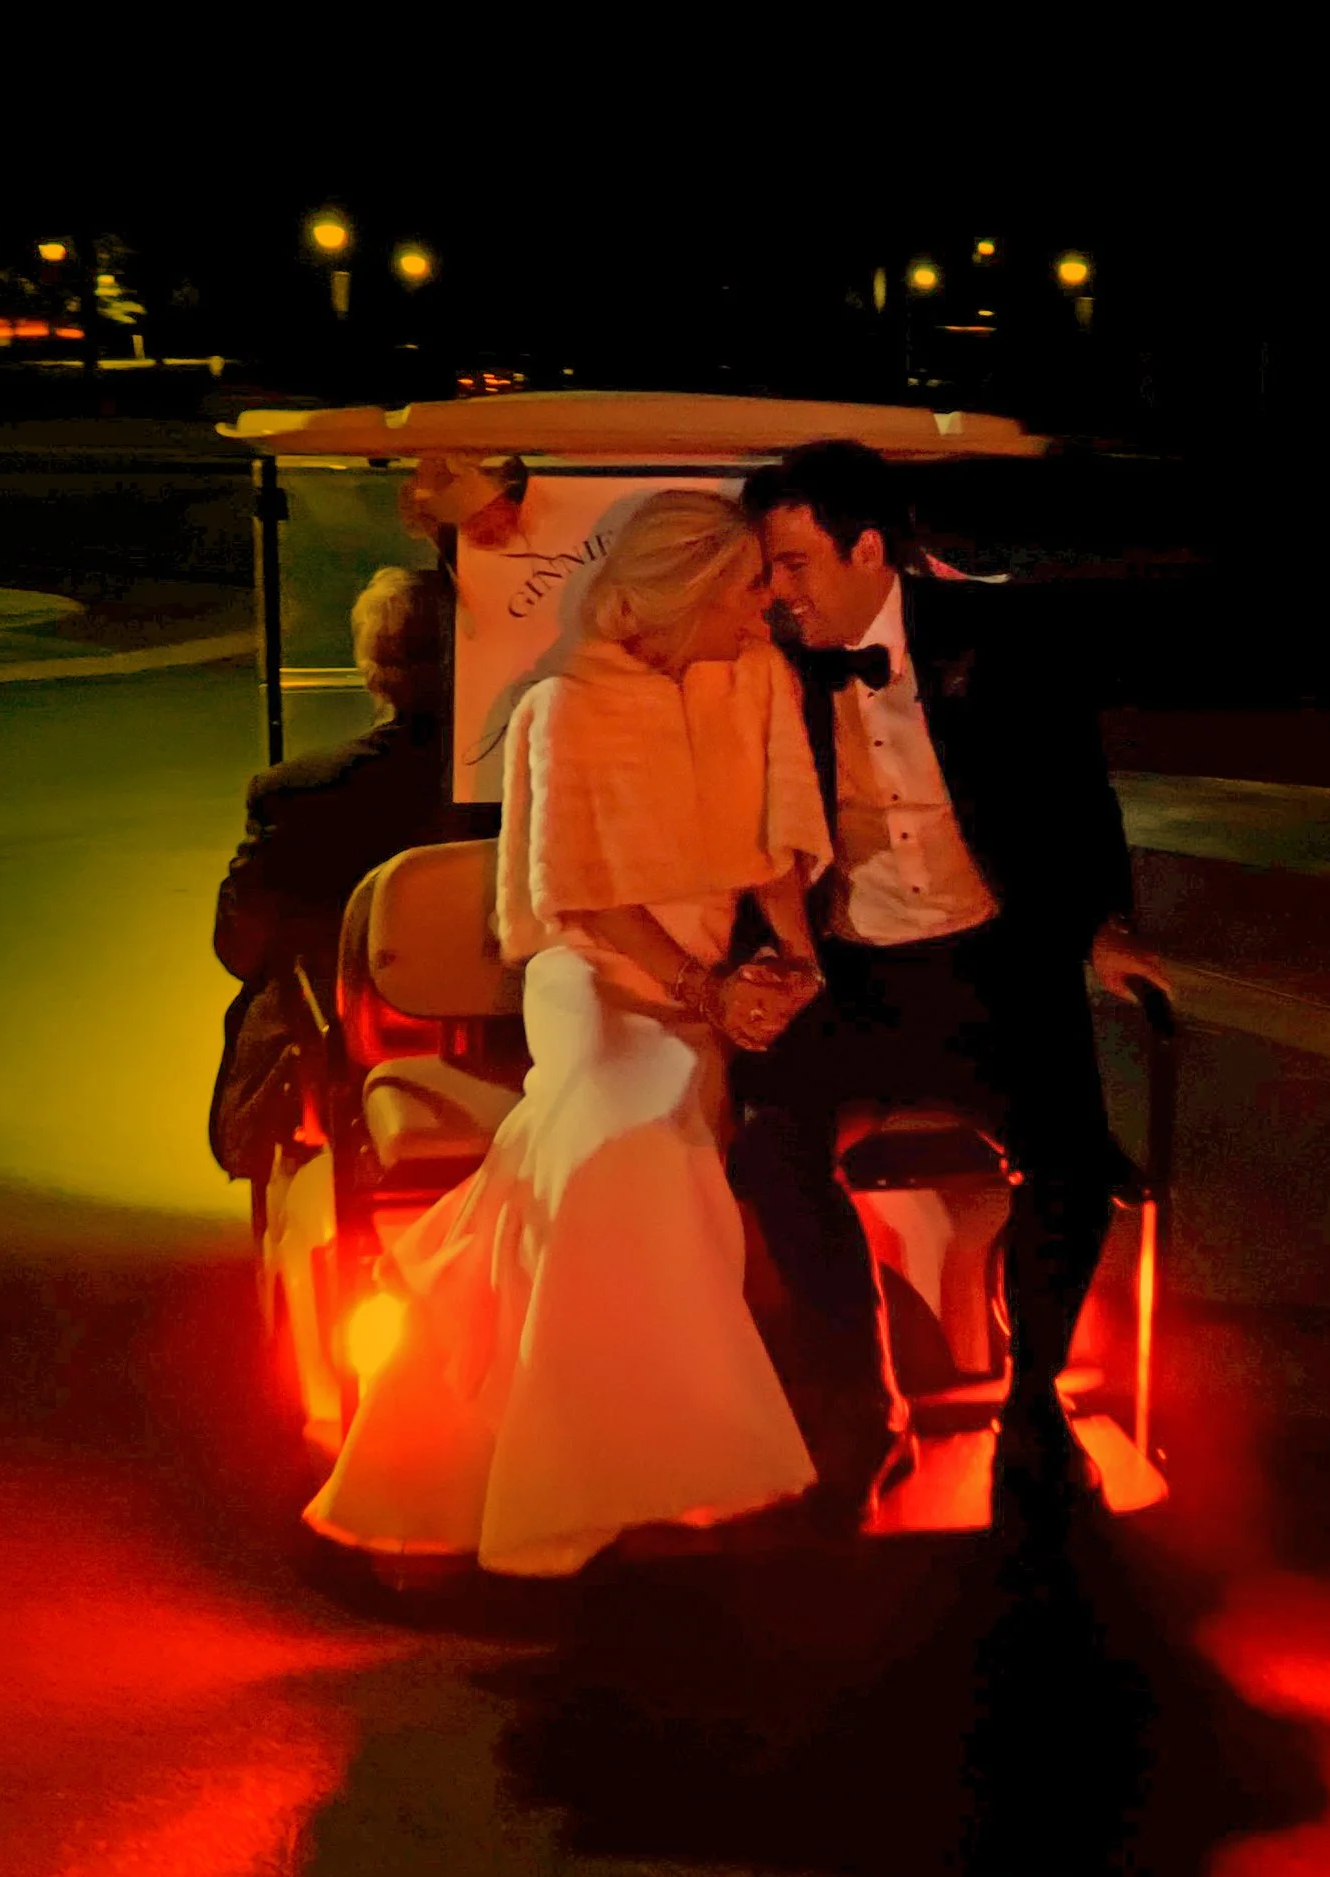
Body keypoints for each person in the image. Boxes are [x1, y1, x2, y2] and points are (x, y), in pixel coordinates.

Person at [303, 492, 835, 1577]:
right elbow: (579, 897)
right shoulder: (563, 707)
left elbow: (782, 838)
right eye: (744, 589)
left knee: (647, 1129)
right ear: (683, 594)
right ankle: (635, 1466)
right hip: (595, 971)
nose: (764, 609)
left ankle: (627, 1453)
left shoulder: (757, 679)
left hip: (714, 971)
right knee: (620, 1129)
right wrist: (706, 990)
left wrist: (792, 961)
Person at [729, 440, 1168, 1535]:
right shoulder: (765, 664)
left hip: (991, 959)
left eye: (792, 565)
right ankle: (857, 1390)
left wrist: (1103, 930)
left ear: (867, 548)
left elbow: (1079, 795)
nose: (775, 592)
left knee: (1069, 1159)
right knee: (771, 1147)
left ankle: (1033, 1402)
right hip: (854, 971)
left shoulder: (998, 638)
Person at [209, 566, 473, 1190]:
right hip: (492, 1039)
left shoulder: (297, 793)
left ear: (371, 667)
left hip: (342, 1047)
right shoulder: (516, 783)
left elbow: (238, 946)